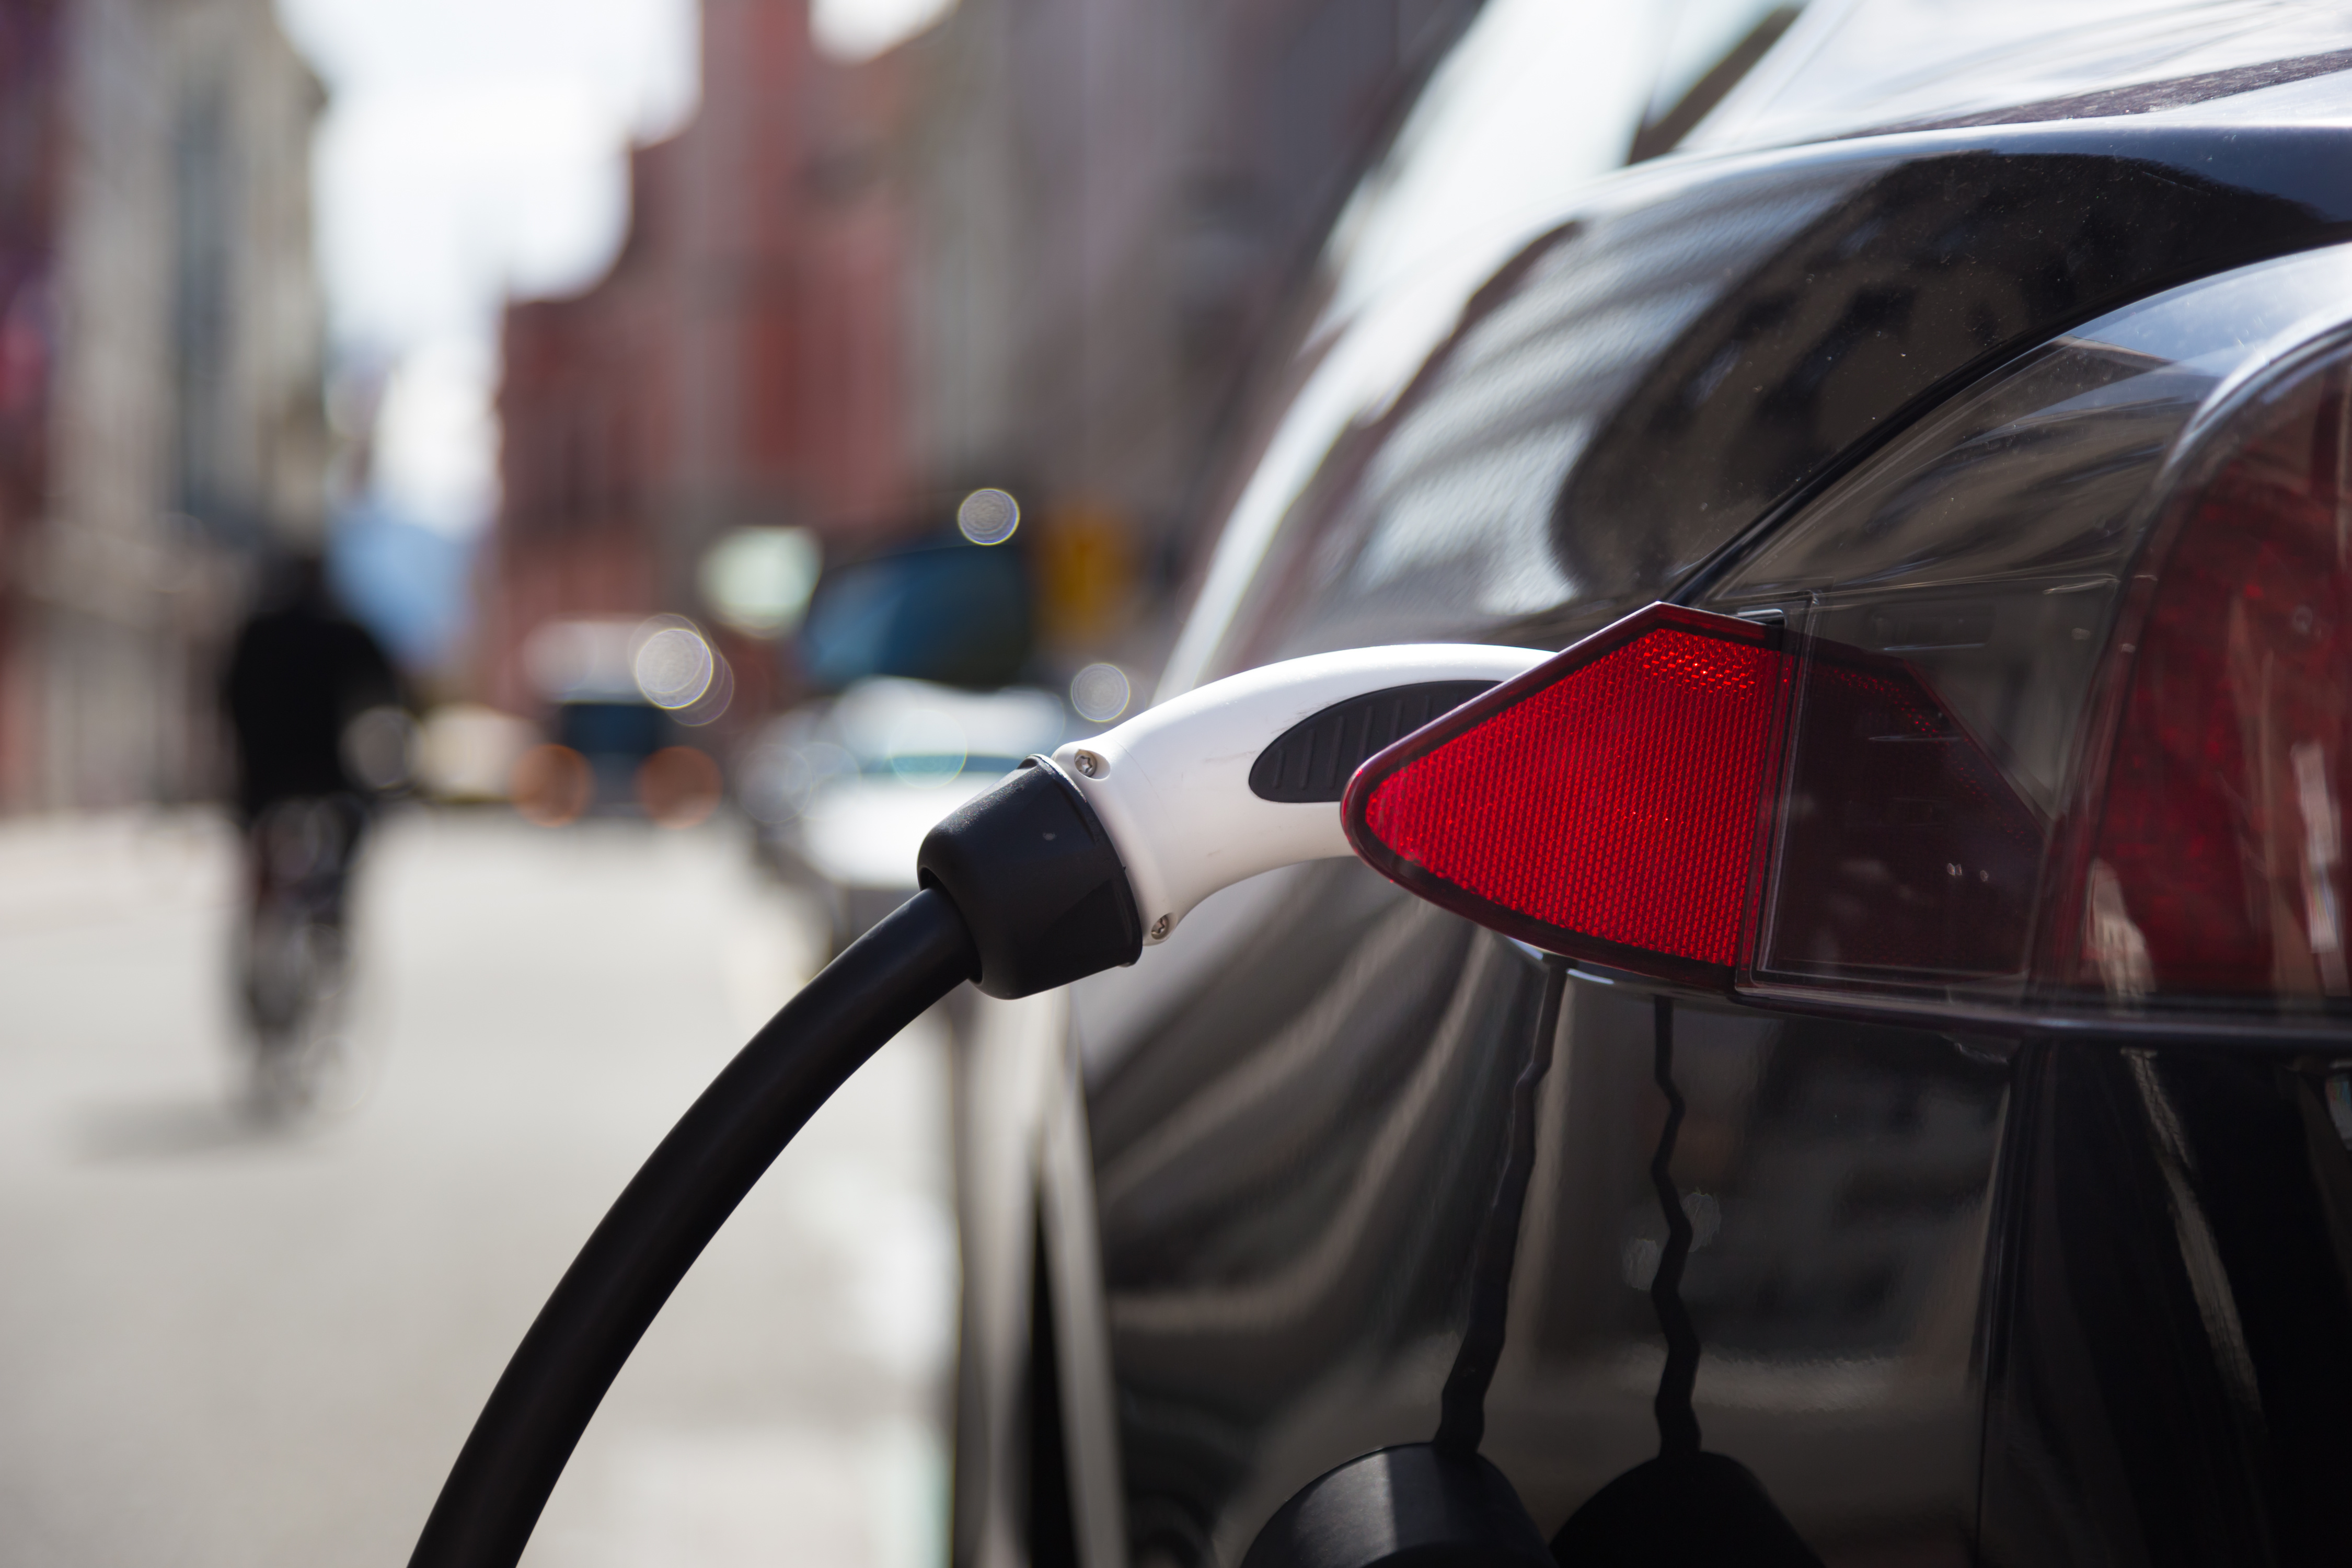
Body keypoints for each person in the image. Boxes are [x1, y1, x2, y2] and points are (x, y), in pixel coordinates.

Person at [221, 554, 403, 1112]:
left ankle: (264, 975)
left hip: (264, 793)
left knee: (262, 897)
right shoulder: (348, 631)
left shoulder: (257, 631)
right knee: (335, 893)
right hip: (331, 789)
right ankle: (330, 942)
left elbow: (225, 702)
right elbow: (391, 700)